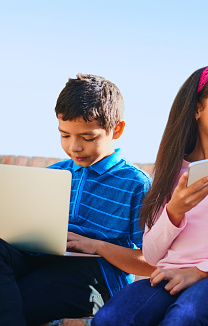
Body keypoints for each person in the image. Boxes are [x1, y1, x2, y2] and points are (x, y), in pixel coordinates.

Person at [92, 65, 208, 326]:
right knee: (110, 319)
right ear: (197, 109)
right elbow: (153, 255)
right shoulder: (171, 169)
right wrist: (174, 211)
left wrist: (200, 271)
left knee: (183, 318)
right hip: (167, 273)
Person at [0, 73, 154, 326]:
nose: (74, 147)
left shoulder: (136, 183)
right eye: (65, 135)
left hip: (92, 276)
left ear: (117, 129)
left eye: (88, 137)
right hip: (38, 260)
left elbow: (151, 263)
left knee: (19, 298)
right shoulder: (54, 174)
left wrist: (97, 246)